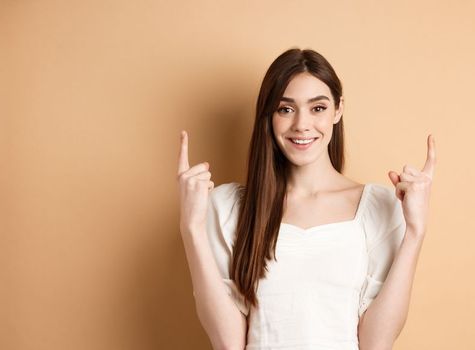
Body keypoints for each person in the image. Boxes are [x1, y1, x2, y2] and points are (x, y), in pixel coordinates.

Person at [177, 48, 435, 350]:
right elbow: (228, 344)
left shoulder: (378, 207)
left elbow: (377, 343)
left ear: (338, 110)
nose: (301, 124)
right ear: (269, 116)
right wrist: (191, 228)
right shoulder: (229, 208)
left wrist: (415, 232)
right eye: (286, 109)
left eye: (318, 108)